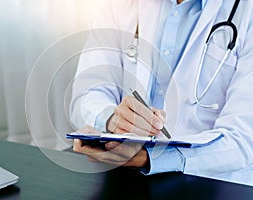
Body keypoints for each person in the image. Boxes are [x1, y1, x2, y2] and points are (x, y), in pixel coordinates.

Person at [69, 0, 253, 186]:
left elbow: (244, 137)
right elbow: (87, 93)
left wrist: (149, 158)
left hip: (213, 185)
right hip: (123, 181)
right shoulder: (118, 5)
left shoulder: (247, 12)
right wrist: (112, 120)